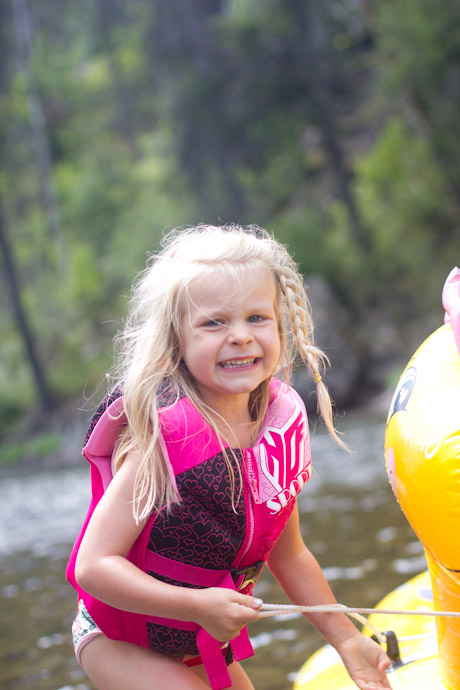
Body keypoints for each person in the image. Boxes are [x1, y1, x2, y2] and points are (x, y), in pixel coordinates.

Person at [66, 224, 392, 690]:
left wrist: (346, 640)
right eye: (214, 322)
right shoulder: (163, 441)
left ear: (281, 326)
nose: (240, 336)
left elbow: (291, 554)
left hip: (195, 638)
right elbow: (93, 566)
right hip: (119, 640)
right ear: (177, 340)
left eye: (257, 318)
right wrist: (198, 607)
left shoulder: (272, 432)